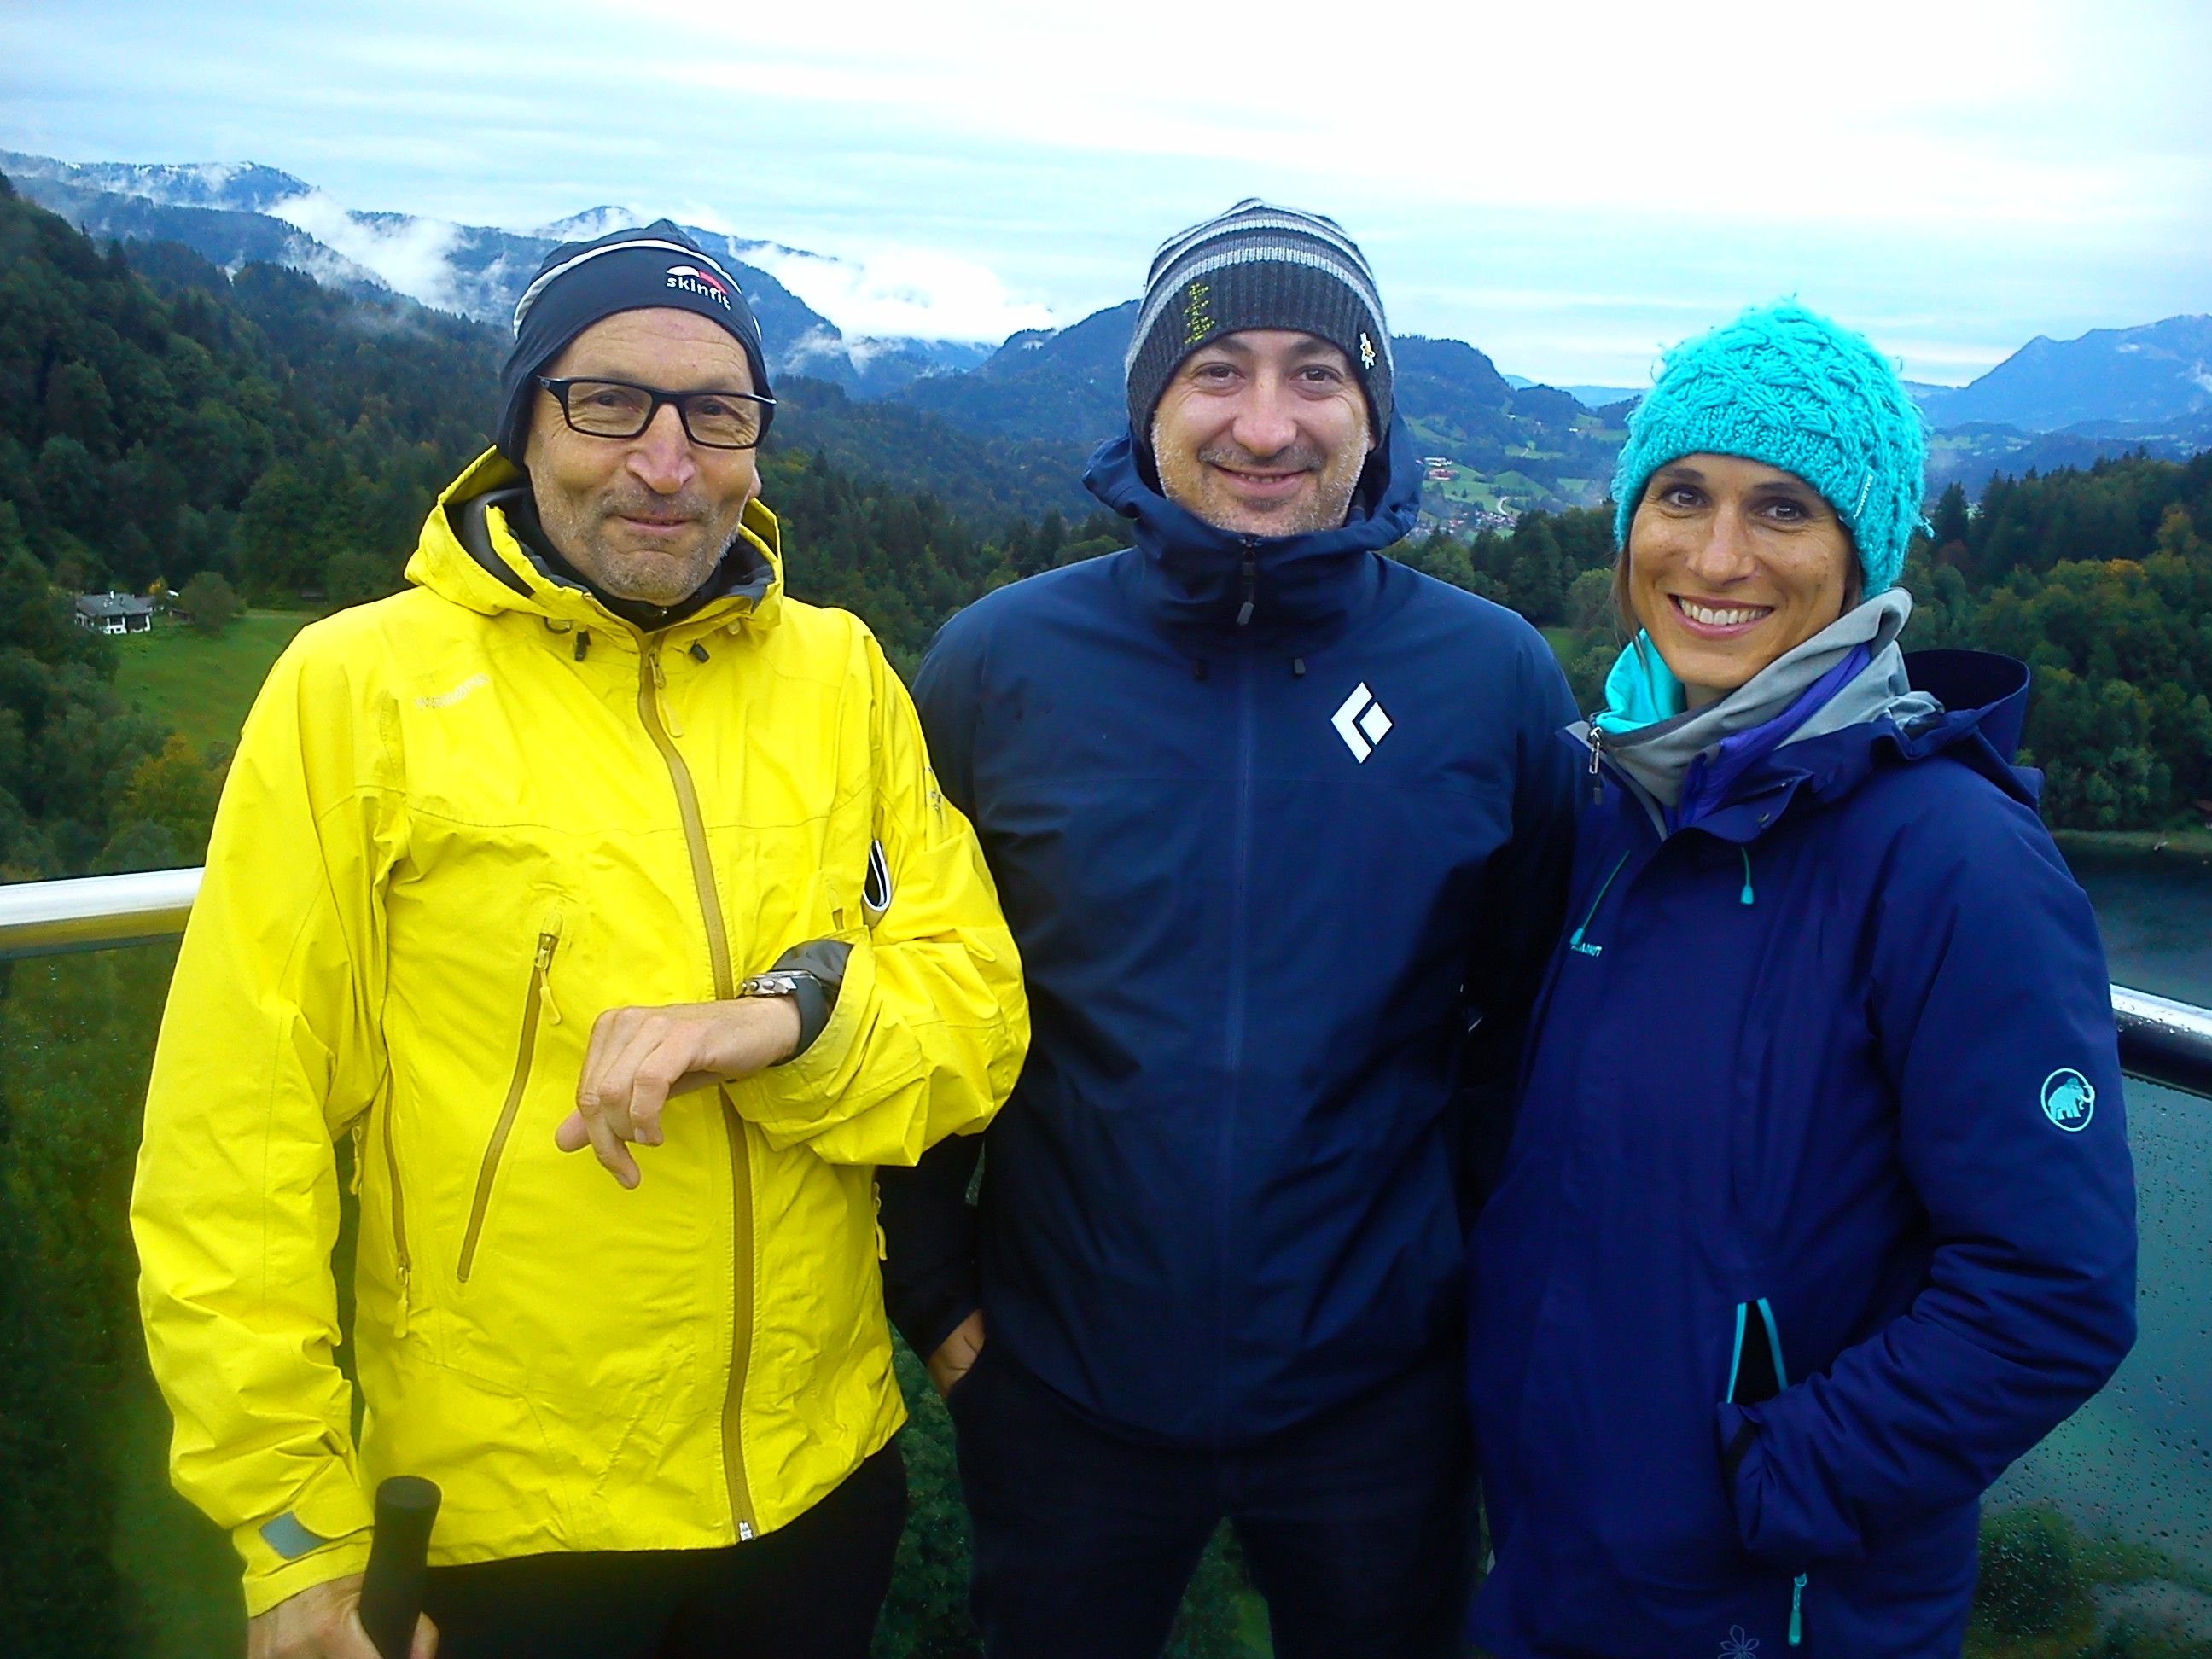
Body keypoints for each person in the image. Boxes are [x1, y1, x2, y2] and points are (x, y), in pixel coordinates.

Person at [131, 220, 1028, 1659]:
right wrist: (289, 1533)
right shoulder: (357, 689)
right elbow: (236, 1138)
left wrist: (783, 1020)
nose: (666, 463)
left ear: (757, 446)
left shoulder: (839, 673)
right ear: (524, 425)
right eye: (609, 403)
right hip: (507, 1525)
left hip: (821, 1481)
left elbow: (974, 1016)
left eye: (716, 415)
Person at [877, 200, 1580, 1659]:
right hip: (1061, 1393)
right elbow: (918, 992)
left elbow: (1524, 1037)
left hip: (1382, 1411)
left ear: (1373, 414)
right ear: (1150, 406)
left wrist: (1469, 1313)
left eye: (1315, 374)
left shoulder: (1492, 681)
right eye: (1218, 371)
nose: (1267, 425)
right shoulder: (999, 667)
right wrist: (938, 1303)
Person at [1465, 302, 2138, 1658]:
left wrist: (1771, 1488)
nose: (1717, 556)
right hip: (1552, 1572)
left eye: (1783, 510)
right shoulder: (1618, 803)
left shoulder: (1951, 856)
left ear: (1859, 553)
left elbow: (2052, 1292)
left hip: (1768, 1607)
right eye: (1681, 495)